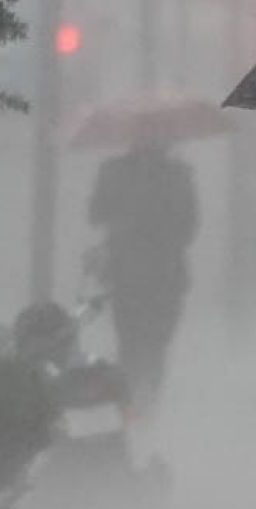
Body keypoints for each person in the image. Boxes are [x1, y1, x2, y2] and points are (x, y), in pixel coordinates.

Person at [87, 136, 198, 417]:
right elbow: (96, 213)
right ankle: (134, 406)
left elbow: (189, 226)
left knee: (152, 345)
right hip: (132, 274)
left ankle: (143, 406)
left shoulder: (178, 175)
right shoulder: (115, 171)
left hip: (159, 275)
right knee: (135, 344)